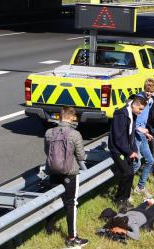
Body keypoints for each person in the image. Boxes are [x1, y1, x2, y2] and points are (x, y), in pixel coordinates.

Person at [44, 106, 89, 247]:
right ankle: (72, 238)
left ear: (60, 116)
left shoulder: (49, 132)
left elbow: (47, 152)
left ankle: (49, 229)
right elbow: (81, 156)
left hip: (52, 171)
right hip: (70, 173)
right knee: (71, 204)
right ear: (71, 117)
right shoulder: (75, 134)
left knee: (52, 200)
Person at [110, 96, 146, 211]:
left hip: (127, 148)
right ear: (134, 105)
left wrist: (134, 150)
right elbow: (119, 137)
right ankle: (119, 199)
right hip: (117, 149)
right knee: (126, 172)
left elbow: (131, 135)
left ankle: (125, 199)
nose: (140, 112)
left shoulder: (133, 114)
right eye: (140, 109)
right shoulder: (121, 114)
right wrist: (129, 151)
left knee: (130, 173)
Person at [133, 79, 154, 196]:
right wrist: (139, 129)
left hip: (142, 134)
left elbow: (143, 121)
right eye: (147, 91)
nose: (148, 94)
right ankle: (126, 188)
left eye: (151, 92)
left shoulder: (150, 101)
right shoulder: (139, 99)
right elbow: (132, 121)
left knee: (150, 160)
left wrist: (146, 133)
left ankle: (140, 187)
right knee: (136, 164)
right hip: (135, 134)